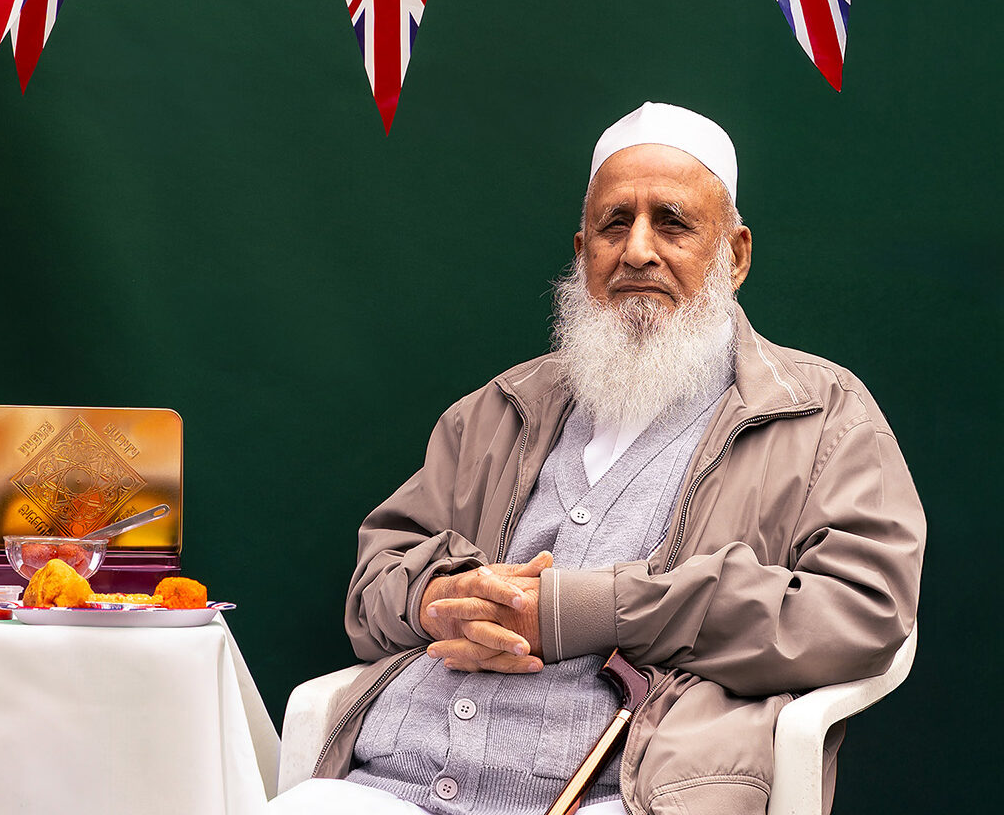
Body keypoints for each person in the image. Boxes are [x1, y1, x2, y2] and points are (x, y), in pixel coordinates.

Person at [271, 103, 924, 815]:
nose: (638, 250)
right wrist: (440, 603)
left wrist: (594, 610)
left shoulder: (820, 412)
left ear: (733, 255)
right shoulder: (497, 409)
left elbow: (862, 613)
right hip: (392, 785)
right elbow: (374, 589)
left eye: (671, 222)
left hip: (627, 796)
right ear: (582, 255)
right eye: (615, 224)